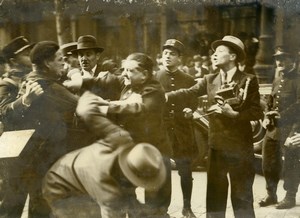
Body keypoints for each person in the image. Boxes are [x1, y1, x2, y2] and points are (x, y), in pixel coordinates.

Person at [167, 35, 263, 218]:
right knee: (214, 197)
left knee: (242, 197)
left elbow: (256, 112)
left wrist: (233, 114)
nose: (214, 55)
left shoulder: (248, 80)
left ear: (233, 56)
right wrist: (165, 96)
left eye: (220, 51)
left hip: (240, 148)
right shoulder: (210, 79)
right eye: (214, 52)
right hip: (216, 146)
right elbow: (190, 91)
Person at [77, 53, 173, 218]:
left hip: (153, 154)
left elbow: (141, 109)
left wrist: (107, 108)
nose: (125, 74)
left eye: (130, 71)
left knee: (156, 204)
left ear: (144, 74)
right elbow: (111, 86)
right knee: (123, 195)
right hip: (131, 153)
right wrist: (107, 102)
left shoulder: (154, 89)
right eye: (124, 70)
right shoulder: (129, 87)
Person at [42, 103, 167, 218]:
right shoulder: (106, 188)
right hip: (59, 185)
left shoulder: (122, 138)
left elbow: (87, 108)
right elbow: (114, 209)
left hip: (79, 173)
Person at [17, 41, 82, 217]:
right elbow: (83, 105)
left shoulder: (30, 80)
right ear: (47, 63)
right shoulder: (50, 87)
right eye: (60, 59)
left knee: (39, 207)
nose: (64, 63)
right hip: (47, 158)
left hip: (34, 157)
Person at [0, 36, 44, 218]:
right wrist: (25, 100)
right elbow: (3, 112)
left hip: (36, 150)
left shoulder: (35, 78)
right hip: (15, 152)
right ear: (13, 61)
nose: (31, 56)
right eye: (26, 54)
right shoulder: (6, 84)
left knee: (38, 202)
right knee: (12, 203)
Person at [154, 39, 197, 218]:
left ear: (180, 58)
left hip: (182, 131)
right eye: (165, 53)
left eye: (172, 54)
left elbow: (193, 102)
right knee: (163, 172)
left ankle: (187, 207)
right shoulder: (154, 77)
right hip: (162, 131)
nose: (168, 56)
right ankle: (163, 209)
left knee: (185, 171)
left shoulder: (188, 79)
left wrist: (190, 110)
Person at [261, 46, 300, 210]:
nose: (280, 61)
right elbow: (271, 101)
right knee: (268, 162)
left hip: (291, 128)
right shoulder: (277, 80)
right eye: (277, 59)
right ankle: (271, 194)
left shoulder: (298, 80)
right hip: (273, 129)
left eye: (284, 58)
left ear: (293, 61)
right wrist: (266, 117)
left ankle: (290, 196)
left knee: (291, 163)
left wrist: (284, 119)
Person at [65, 35, 121, 100]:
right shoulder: (75, 76)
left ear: (97, 56)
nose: (84, 58)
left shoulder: (108, 68)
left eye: (88, 54)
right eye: (81, 55)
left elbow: (119, 82)